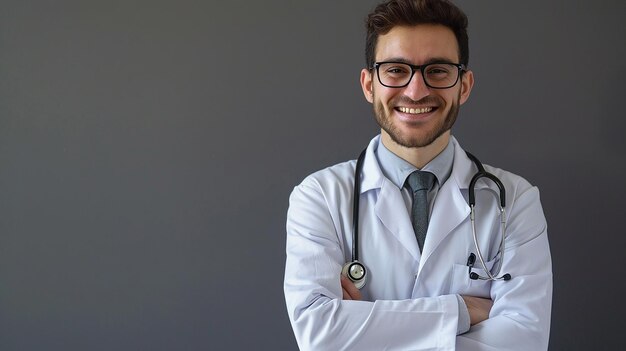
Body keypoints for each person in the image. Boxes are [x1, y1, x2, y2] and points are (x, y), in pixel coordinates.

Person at [283, 0, 552, 349]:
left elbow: (524, 342)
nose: (416, 90)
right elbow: (319, 335)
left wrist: (366, 328)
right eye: (396, 70)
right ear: (369, 85)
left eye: (437, 70)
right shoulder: (318, 196)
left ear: (464, 85)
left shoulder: (514, 200)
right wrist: (461, 310)